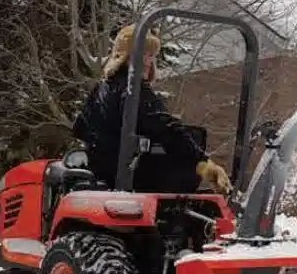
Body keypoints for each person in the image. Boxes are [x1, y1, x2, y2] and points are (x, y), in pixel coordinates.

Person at [72, 24, 232, 195]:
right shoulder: (133, 90)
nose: (148, 62)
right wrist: (204, 164)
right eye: (143, 54)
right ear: (126, 56)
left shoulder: (101, 88)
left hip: (101, 175)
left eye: (151, 55)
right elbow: (166, 129)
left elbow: (80, 128)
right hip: (128, 180)